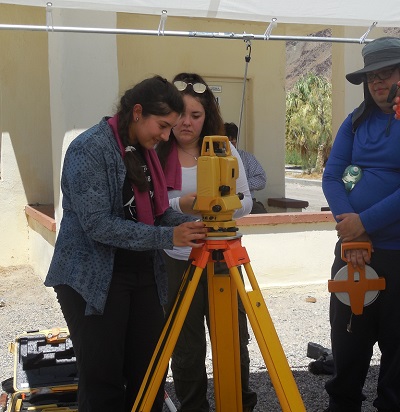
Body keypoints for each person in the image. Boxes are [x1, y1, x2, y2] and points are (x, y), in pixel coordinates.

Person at [44, 75, 208, 412]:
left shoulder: (142, 150)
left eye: (170, 128)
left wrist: (194, 226)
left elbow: (157, 215)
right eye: (162, 126)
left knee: (148, 375)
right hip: (92, 279)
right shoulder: (89, 149)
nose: (166, 136)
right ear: (137, 112)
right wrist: (168, 236)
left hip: (141, 273)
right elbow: (98, 225)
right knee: (103, 382)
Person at [156, 72, 258, 412]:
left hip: (222, 258)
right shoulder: (156, 153)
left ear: (207, 116)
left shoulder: (225, 150)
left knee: (232, 337)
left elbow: (245, 201)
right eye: (181, 114)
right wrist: (183, 205)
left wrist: (220, 204)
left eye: (196, 115)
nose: (187, 123)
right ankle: (193, 406)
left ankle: (238, 403)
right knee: (185, 345)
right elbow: (152, 208)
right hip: (177, 258)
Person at [322, 37, 400, 412]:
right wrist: (351, 232)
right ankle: (343, 404)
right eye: (372, 77)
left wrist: (364, 223)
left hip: (397, 253)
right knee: (348, 337)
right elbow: (332, 177)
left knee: (398, 343)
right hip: (352, 250)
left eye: (387, 73)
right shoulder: (355, 121)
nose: (378, 82)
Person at [224, 122, 267, 214]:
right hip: (222, 202)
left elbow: (261, 180)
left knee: (261, 213)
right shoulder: (212, 159)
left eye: (233, 142)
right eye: (227, 143)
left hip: (245, 201)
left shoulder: (247, 157)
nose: (230, 146)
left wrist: (242, 184)